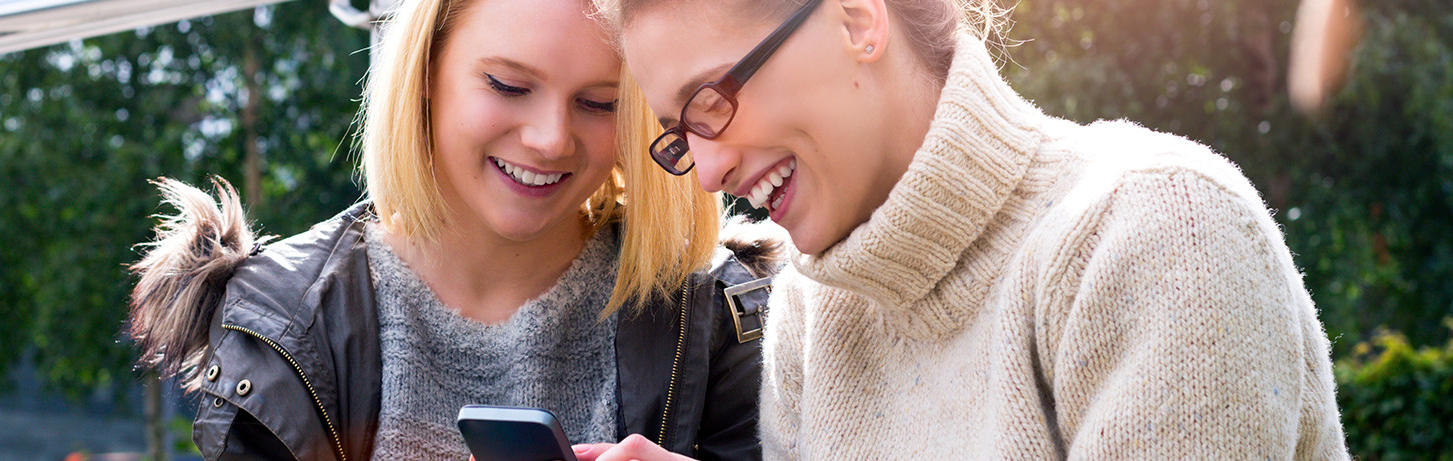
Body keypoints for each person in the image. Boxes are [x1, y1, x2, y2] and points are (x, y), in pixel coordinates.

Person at [576, 0, 1353, 458]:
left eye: (711, 102)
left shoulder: (1157, 230)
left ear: (856, 19)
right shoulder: (814, 311)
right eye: (681, 134)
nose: (709, 173)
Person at [123, 0, 780, 457]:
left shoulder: (722, 314)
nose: (551, 139)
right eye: (508, 85)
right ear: (426, 71)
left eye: (599, 103)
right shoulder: (283, 322)